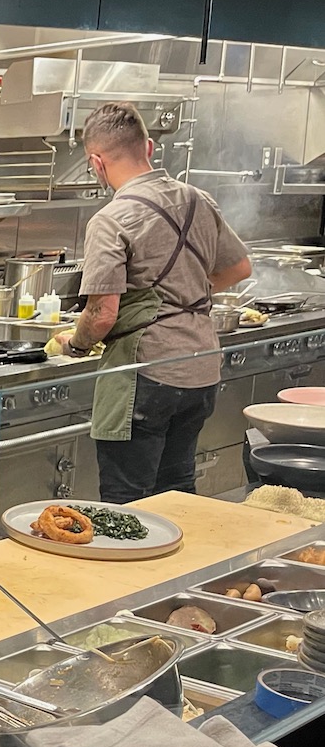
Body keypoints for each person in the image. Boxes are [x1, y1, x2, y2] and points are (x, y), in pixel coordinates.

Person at [55, 101, 252, 503]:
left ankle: (134, 566)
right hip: (201, 367)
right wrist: (188, 295)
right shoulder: (199, 199)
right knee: (177, 490)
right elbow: (239, 268)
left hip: (146, 373)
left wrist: (74, 345)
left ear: (96, 162)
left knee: (128, 499)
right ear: (147, 148)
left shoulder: (111, 220)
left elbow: (102, 313)